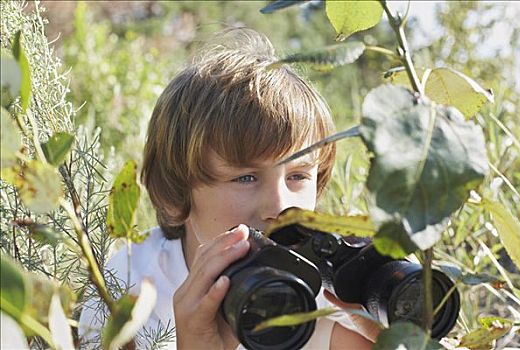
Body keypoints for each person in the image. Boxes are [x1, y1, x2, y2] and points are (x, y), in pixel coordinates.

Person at [79, 27, 380, 349]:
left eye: (298, 176)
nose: (279, 206)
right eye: (245, 178)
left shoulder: (325, 296)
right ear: (176, 190)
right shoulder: (132, 284)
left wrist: (389, 320)